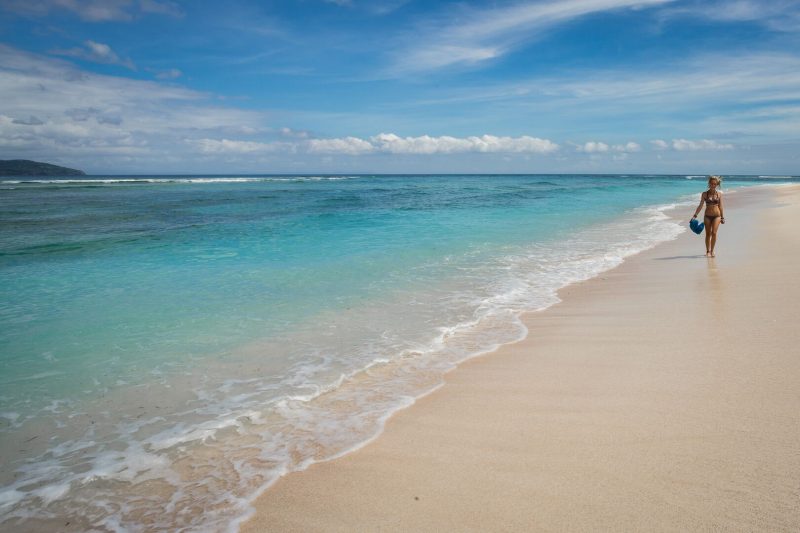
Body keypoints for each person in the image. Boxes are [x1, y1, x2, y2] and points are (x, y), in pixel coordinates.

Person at [691, 175, 725, 257]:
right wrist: (694, 216)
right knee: (708, 234)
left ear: (717, 185)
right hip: (707, 216)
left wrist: (722, 217)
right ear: (709, 184)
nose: (713, 185)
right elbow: (700, 205)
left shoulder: (719, 194)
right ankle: (707, 251)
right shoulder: (704, 194)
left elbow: (721, 206)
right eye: (711, 183)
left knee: (714, 233)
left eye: (715, 184)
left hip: (717, 216)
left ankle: (712, 251)